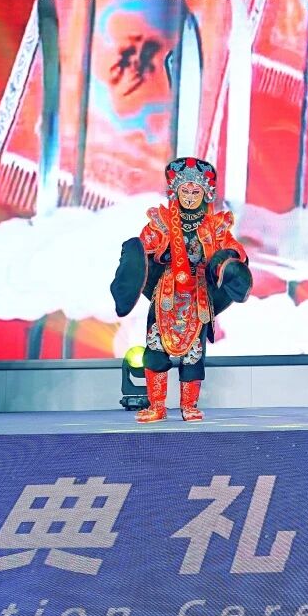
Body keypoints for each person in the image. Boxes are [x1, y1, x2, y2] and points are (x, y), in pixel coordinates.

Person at [111, 157, 252, 422]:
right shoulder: (161, 222)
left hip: (198, 295)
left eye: (195, 191)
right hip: (165, 294)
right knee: (155, 349)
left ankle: (189, 405)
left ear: (205, 194)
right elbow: (142, 247)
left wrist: (227, 260)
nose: (189, 196)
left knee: (194, 354)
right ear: (175, 191)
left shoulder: (215, 226)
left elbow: (234, 250)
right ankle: (157, 406)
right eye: (184, 190)